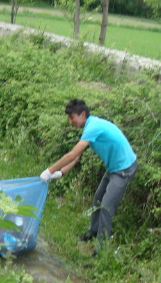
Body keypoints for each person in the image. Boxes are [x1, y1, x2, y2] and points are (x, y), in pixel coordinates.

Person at [39, 99, 138, 256]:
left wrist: (49, 171)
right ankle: (92, 232)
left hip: (124, 168)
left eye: (72, 117)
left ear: (83, 114)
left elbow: (71, 154)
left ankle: (101, 250)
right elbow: (76, 157)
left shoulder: (93, 127)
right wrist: (61, 172)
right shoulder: (90, 126)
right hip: (113, 167)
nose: (70, 121)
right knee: (98, 198)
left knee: (106, 207)